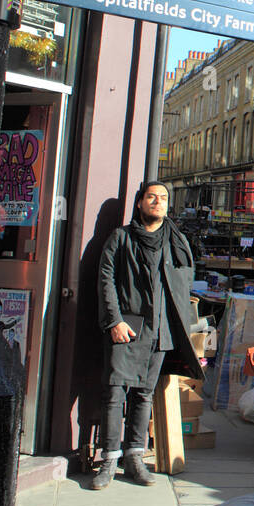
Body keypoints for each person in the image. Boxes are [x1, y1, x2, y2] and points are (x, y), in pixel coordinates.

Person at [92, 181, 204, 490]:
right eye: (151, 196)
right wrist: (114, 320)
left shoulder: (175, 241)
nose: (158, 202)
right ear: (140, 203)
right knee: (115, 393)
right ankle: (108, 460)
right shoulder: (121, 238)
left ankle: (134, 459)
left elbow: (184, 284)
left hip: (160, 330)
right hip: (126, 327)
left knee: (143, 394)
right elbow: (106, 281)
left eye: (163, 198)